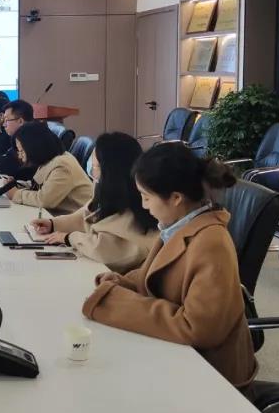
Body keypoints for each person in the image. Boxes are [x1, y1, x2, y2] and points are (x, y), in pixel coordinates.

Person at [81, 142, 256, 390]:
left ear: (175, 198)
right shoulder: (179, 225)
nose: (144, 205)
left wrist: (116, 302)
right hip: (177, 358)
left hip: (211, 379)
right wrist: (123, 282)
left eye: (146, 197)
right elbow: (154, 274)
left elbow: (198, 328)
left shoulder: (211, 243)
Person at [31, 132, 158, 272]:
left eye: (95, 165)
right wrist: (53, 224)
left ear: (110, 171)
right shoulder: (109, 194)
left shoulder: (138, 208)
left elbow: (106, 251)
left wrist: (69, 238)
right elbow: (84, 216)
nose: (91, 169)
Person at [4, 121, 94, 215]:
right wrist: (17, 185)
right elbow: (41, 186)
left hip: (80, 220)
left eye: (21, 151)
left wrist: (16, 194)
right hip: (59, 216)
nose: (19, 156)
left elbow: (44, 200)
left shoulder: (62, 165)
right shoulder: (48, 160)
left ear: (34, 147)